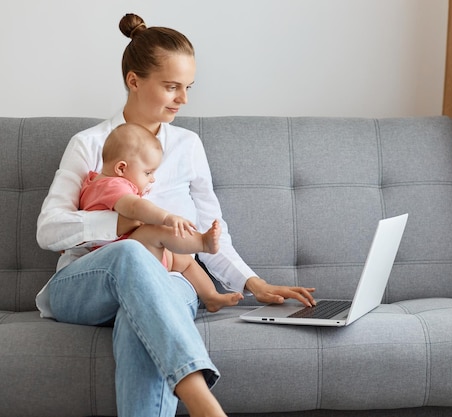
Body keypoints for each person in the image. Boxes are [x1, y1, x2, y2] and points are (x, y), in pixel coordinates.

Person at [36, 13, 316, 417]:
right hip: (87, 283)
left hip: (169, 283)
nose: (183, 99)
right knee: (132, 255)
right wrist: (126, 224)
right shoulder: (89, 144)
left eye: (187, 87)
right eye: (171, 87)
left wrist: (254, 283)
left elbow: (211, 234)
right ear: (134, 81)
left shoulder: (188, 146)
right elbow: (49, 229)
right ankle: (201, 399)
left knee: (144, 314)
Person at [79, 122, 244, 312]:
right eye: (148, 173)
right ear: (121, 168)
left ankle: (210, 297)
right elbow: (134, 207)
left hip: (140, 251)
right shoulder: (111, 185)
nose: (152, 179)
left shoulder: (92, 182)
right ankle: (202, 243)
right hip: (125, 255)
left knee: (186, 261)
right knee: (157, 230)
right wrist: (166, 217)